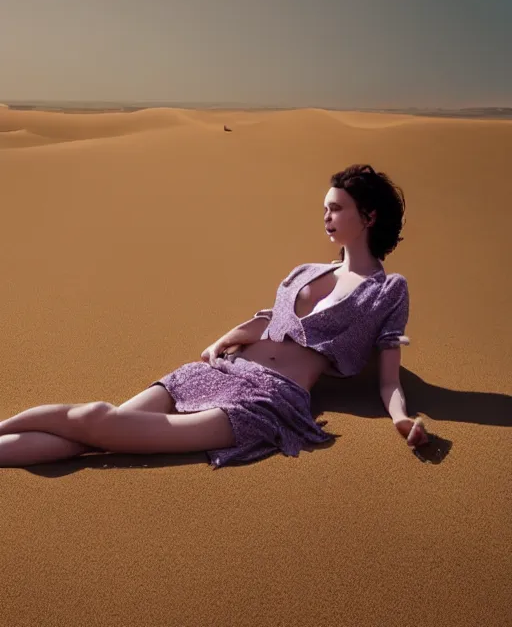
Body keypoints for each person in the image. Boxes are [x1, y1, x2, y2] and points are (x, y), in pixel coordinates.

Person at [0, 164, 429, 468]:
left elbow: (389, 377)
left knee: (97, 421)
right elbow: (267, 318)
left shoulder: (387, 290)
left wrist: (402, 419)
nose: (326, 217)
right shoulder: (307, 271)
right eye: (324, 208)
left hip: (265, 401)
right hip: (221, 370)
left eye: (336, 208)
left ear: (368, 216)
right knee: (87, 436)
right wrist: (224, 339)